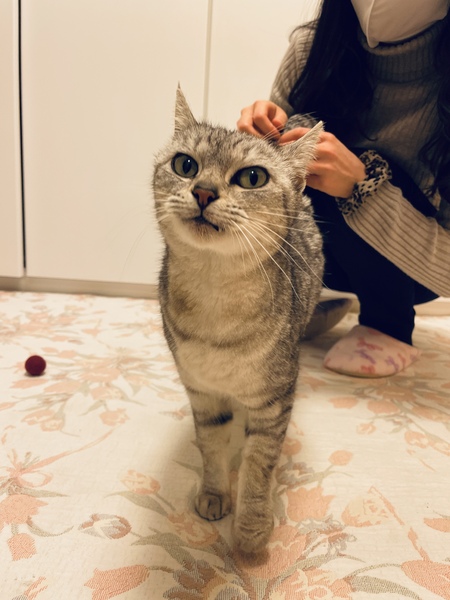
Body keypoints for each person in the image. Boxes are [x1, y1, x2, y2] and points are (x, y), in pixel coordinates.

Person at [237, 0, 450, 378]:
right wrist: (260, 140)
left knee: (362, 161)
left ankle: (387, 325)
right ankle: (296, 299)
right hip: (322, 253)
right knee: (303, 135)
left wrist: (362, 186)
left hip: (412, 270)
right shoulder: (313, 49)